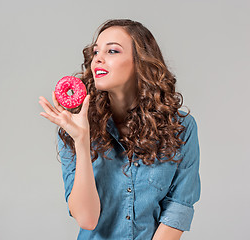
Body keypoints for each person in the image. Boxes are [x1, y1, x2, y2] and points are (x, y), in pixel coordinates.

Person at [38, 19, 200, 240]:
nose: (98, 59)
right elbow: (87, 219)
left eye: (112, 50)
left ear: (140, 62)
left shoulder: (181, 128)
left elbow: (177, 209)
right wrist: (82, 141)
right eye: (96, 52)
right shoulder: (74, 127)